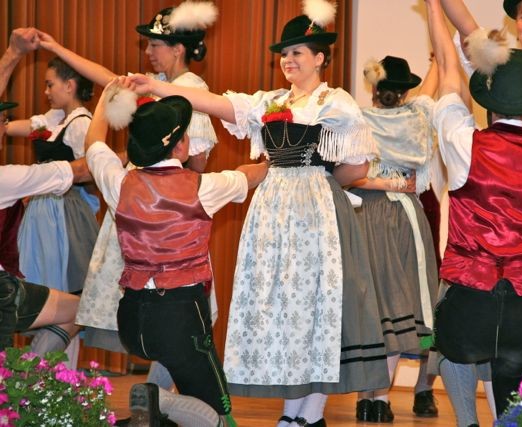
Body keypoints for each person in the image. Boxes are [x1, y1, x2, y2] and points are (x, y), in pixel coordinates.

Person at [127, 1, 390, 425]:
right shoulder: (270, 101)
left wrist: (319, 185)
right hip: (272, 214)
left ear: (320, 58)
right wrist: (156, 88)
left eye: (297, 52)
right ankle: (294, 414)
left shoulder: (334, 103)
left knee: (316, 310)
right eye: (284, 53)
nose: (288, 60)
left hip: (316, 214)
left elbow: (357, 167)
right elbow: (215, 103)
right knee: (285, 308)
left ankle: (308, 414)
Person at [37, 1, 220, 361]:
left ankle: (157, 393)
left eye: (155, 44)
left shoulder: (190, 89)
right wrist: (56, 47)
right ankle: (35, 370)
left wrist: (166, 188)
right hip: (140, 205)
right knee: (109, 304)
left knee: (172, 307)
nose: (148, 51)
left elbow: (197, 162)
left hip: (167, 215)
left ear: (178, 49)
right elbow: (108, 80)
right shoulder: (161, 84)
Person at [85, 78, 267, 427]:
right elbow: (248, 175)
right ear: (181, 145)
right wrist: (273, 162)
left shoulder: (119, 182)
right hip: (181, 316)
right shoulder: (201, 187)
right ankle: (156, 399)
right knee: (219, 415)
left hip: (132, 317)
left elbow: (94, 143)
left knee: (178, 380)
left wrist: (107, 98)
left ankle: (156, 407)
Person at [425, 0, 522, 417]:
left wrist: (433, 8)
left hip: (470, 293)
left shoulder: (465, 143)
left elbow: (448, 70)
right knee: (515, 399)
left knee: (451, 350)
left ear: (489, 98)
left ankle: (467, 423)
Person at [348, 55, 439, 422]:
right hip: (401, 215)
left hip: (364, 214)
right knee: (398, 304)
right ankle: (380, 397)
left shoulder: (357, 120)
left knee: (374, 306)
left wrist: (378, 181)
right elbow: (429, 92)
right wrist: (437, 62)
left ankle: (368, 397)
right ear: (404, 93)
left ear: (375, 89)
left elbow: (348, 175)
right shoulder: (417, 120)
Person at [0, 28, 84, 354]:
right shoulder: (8, 179)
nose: (6, 127)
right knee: (82, 307)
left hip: (57, 216)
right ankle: (29, 375)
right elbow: (80, 170)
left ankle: (25, 374)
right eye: (3, 121)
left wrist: (13, 53)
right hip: (4, 291)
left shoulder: (73, 121)